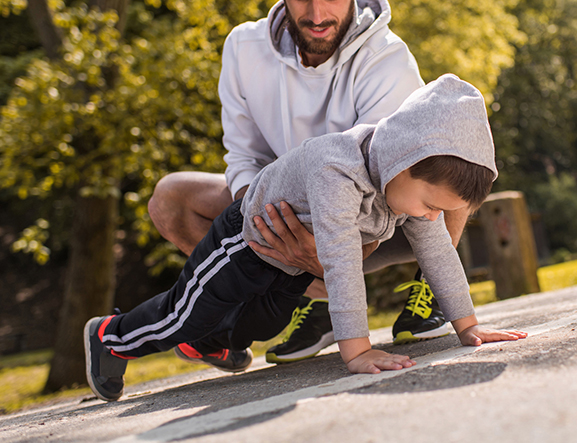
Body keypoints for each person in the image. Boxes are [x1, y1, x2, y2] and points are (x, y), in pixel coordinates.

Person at [84, 75, 527, 402]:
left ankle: (206, 341)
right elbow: (341, 263)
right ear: (402, 161)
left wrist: (468, 326)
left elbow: (440, 254)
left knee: (261, 328)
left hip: (290, 265)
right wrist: (358, 351)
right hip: (245, 243)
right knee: (184, 316)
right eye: (431, 204)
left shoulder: (407, 187)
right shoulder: (338, 169)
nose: (431, 216)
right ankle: (110, 337)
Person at [148, 0, 472, 364]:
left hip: (377, 223)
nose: (316, 16)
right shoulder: (243, 46)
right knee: (170, 199)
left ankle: (433, 290)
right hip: (290, 209)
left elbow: (388, 179)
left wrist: (328, 256)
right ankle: (311, 303)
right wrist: (266, 224)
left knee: (458, 157)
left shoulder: (388, 58)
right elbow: (244, 157)